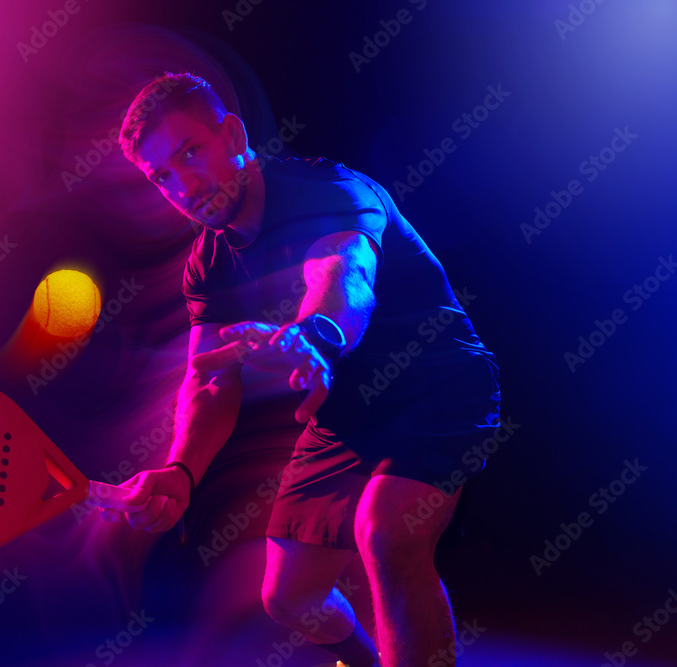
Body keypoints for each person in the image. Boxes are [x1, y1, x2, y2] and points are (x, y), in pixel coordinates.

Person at [106, 72, 501, 667]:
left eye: (190, 152)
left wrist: (315, 333)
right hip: (344, 411)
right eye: (161, 175)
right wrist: (181, 471)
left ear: (233, 134)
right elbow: (211, 378)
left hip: (436, 384)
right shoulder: (208, 265)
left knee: (386, 533)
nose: (182, 184)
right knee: (289, 598)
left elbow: (346, 273)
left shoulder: (331, 192)